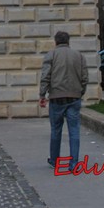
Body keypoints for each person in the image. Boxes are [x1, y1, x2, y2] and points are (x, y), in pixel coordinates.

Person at [39, 31, 88, 169]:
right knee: (74, 130)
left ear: (56, 41)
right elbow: (85, 78)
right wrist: (80, 92)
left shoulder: (51, 55)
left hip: (56, 97)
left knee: (56, 129)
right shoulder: (79, 56)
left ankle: (55, 160)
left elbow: (45, 77)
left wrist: (42, 95)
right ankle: (74, 163)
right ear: (68, 41)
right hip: (74, 97)